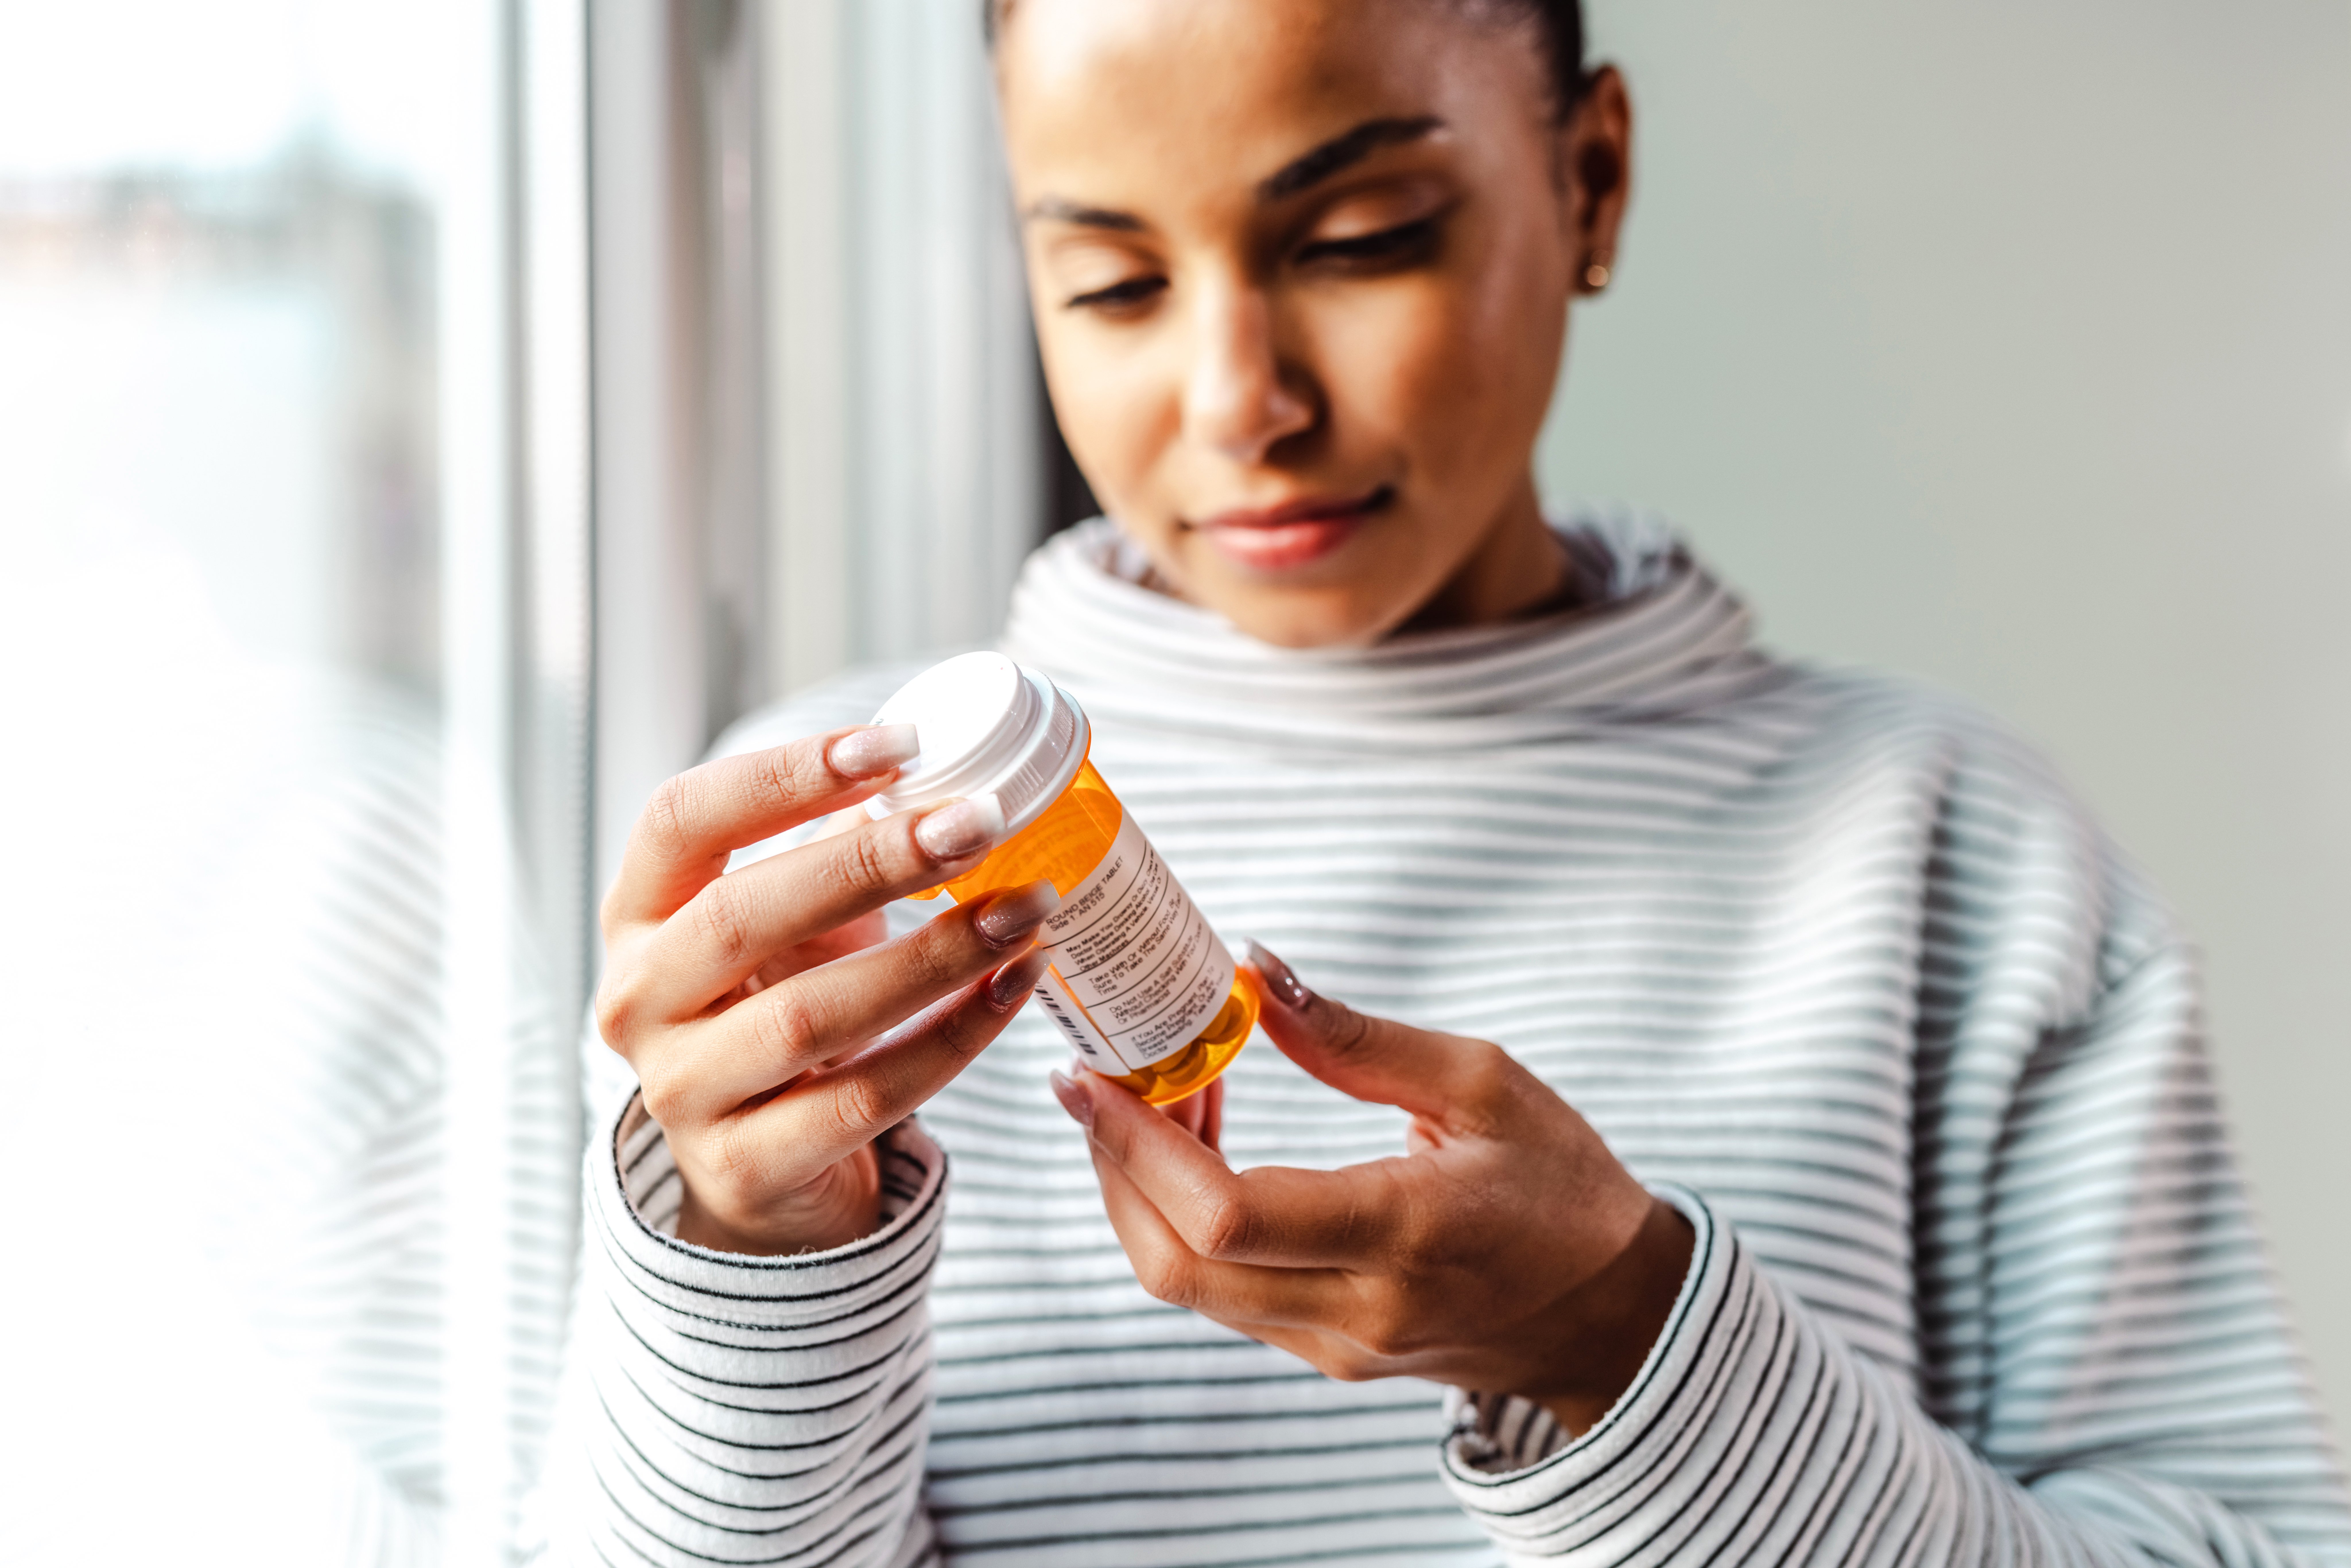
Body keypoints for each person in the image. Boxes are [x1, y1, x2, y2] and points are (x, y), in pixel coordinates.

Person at [544, 1, 2351, 1562]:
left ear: (1591, 180)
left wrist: (1632, 1348)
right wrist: (744, 1276)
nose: (1240, 397)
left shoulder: (1949, 859)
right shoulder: (813, 897)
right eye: (1110, 282)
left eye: (1360, 237)